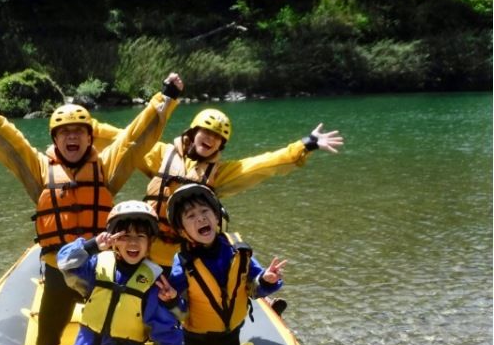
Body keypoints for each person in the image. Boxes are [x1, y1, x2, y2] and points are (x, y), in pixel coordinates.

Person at [0, 72, 184, 345]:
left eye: (79, 131)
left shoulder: (105, 168)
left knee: (117, 328)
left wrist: (166, 97)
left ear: (91, 138)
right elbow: (9, 142)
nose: (72, 136)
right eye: (64, 131)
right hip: (57, 269)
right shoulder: (40, 170)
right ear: (55, 138)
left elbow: (134, 139)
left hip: (101, 270)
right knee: (47, 339)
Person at [97, 107, 344, 268]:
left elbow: (263, 164)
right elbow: (126, 139)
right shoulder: (163, 155)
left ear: (221, 144)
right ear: (193, 133)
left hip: (182, 256)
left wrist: (305, 145)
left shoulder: (220, 174)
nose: (210, 138)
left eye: (217, 137)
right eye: (205, 132)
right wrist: (89, 129)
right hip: (145, 249)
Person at [56, 200, 185, 345]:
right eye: (125, 236)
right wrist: (91, 245)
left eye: (140, 236)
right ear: (114, 241)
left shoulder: (154, 282)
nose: (133, 242)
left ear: (150, 242)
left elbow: (165, 326)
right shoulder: (96, 266)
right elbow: (64, 263)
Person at [166, 183, 286, 345]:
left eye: (205, 211)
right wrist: (171, 299)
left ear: (217, 216)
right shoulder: (183, 262)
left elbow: (254, 290)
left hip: (229, 335)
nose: (201, 218)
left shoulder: (239, 251)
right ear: (182, 231)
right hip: (195, 338)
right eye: (191, 216)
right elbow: (179, 313)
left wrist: (266, 280)